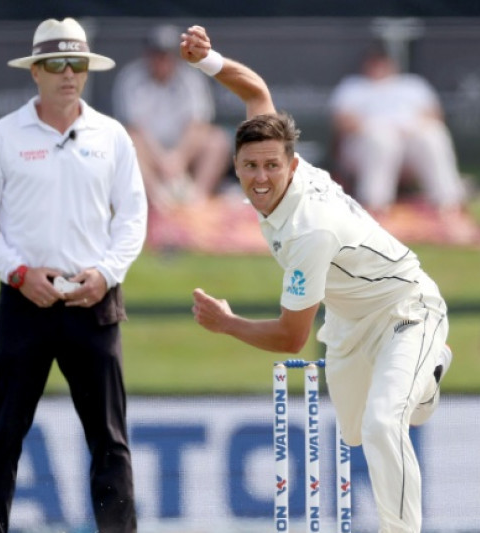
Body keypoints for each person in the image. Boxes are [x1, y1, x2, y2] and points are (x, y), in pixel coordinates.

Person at [183, 25, 452, 532]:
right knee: (354, 431)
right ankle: (426, 381)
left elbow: (291, 337)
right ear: (235, 167)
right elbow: (254, 89)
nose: (261, 177)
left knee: (382, 425)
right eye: (250, 167)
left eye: (271, 166)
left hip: (407, 309)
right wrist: (206, 60)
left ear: (292, 165)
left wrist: (227, 323)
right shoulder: (275, 159)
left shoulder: (309, 232)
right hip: (350, 321)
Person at [0, 17, 147, 532]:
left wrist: (106, 273)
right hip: (25, 300)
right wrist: (18, 273)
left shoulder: (112, 135)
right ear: (35, 71)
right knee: (2, 438)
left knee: (110, 440)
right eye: (57, 64)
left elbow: (133, 216)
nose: (68, 74)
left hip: (94, 299)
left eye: (77, 64)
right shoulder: (2, 136)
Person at [328, 42, 474, 242]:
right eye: (374, 62)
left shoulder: (412, 85)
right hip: (365, 146)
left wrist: (409, 128)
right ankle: (376, 208)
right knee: (383, 139)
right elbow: (342, 122)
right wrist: (381, 127)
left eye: (383, 62)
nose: (379, 67)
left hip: (409, 145)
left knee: (433, 134)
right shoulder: (353, 87)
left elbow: (435, 115)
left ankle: (449, 207)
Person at [111, 23, 231, 212]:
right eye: (157, 54)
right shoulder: (131, 78)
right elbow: (136, 128)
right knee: (128, 142)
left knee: (217, 140)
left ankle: (197, 200)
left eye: (166, 55)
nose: (162, 60)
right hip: (150, 151)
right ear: (147, 55)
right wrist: (162, 159)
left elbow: (197, 125)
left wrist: (178, 158)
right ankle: (158, 200)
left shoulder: (191, 78)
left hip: (183, 150)